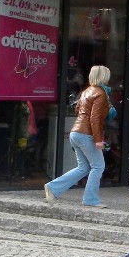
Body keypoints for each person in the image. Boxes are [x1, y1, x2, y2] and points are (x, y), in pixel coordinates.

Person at [44, 65, 112, 208]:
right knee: (98, 166)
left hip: (76, 132)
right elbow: (95, 118)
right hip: (86, 134)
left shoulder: (86, 91)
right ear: (104, 77)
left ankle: (53, 187)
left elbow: (77, 110)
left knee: (83, 167)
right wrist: (99, 140)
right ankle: (90, 199)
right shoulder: (100, 93)